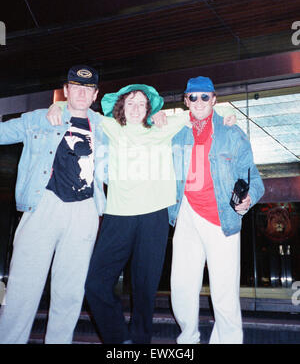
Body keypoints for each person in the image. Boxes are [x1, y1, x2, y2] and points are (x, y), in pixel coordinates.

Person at [48, 83, 235, 344]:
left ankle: (139, 343)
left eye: (142, 103)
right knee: (95, 284)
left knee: (145, 289)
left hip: (154, 217)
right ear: (121, 106)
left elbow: (200, 110)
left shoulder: (163, 126)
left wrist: (226, 112)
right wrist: (54, 105)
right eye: (131, 102)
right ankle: (118, 339)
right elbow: (79, 110)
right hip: (118, 216)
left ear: (149, 109)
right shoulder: (110, 126)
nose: (136, 108)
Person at [0, 65, 107, 344]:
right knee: (23, 288)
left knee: (70, 292)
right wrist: (54, 107)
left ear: (95, 95)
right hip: (43, 205)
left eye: (88, 88)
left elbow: (140, 133)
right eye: (76, 87)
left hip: (84, 210)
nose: (82, 92)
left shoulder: (106, 128)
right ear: (67, 89)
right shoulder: (40, 119)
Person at [168, 76, 265, 344]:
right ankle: (188, 340)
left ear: (214, 99)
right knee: (181, 289)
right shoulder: (175, 133)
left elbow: (254, 180)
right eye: (193, 97)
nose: (199, 102)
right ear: (186, 100)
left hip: (223, 218)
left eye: (205, 96)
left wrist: (248, 200)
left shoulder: (232, 133)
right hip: (186, 214)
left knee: (224, 294)